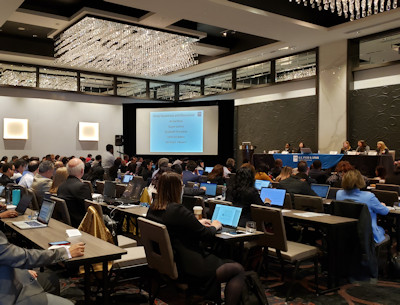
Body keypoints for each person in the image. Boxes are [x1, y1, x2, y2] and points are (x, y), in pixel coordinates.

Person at [146, 172, 245, 304]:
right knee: (238, 269)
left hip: (170, 263)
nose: (183, 188)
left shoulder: (153, 209)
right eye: (181, 186)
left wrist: (196, 222)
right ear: (175, 188)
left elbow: (180, 226)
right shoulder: (177, 210)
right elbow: (206, 234)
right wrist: (215, 226)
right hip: (190, 267)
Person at [0, 230, 85, 305]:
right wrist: (65, 252)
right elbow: (25, 257)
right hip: (9, 295)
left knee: (52, 279)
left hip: (10, 274)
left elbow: (7, 256)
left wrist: (20, 270)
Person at [336, 169, 389, 243]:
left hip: (346, 233)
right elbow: (385, 212)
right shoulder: (369, 197)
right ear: (360, 180)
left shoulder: (339, 194)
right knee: (384, 231)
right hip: (367, 235)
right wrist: (382, 205)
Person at [57, 158, 92, 228]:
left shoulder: (61, 186)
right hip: (81, 224)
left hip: (67, 223)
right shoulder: (82, 187)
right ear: (82, 171)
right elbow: (91, 209)